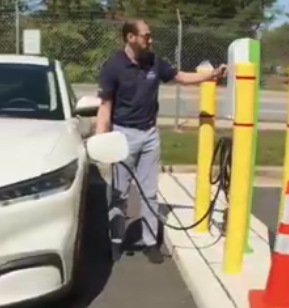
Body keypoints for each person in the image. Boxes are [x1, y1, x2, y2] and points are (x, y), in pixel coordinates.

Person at [95, 18, 227, 264]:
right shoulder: (113, 66)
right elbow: (105, 106)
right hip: (123, 135)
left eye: (150, 34)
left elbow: (181, 77)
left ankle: (149, 242)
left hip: (150, 135)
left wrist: (211, 75)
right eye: (146, 35)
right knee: (119, 193)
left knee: (150, 192)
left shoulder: (155, 62)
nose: (150, 39)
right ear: (130, 38)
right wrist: (101, 142)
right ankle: (115, 242)